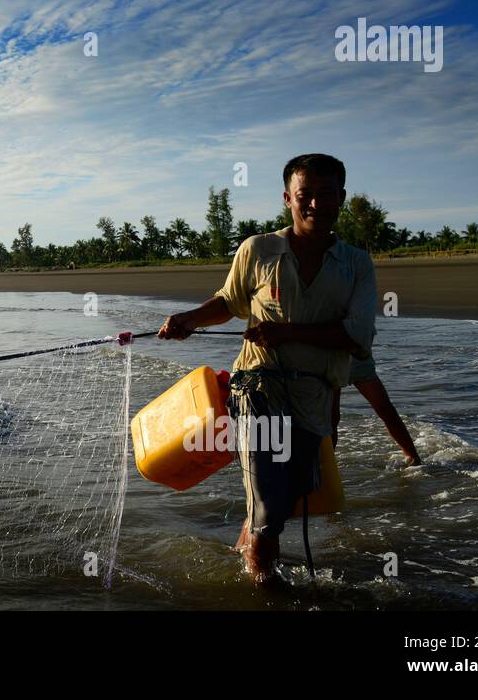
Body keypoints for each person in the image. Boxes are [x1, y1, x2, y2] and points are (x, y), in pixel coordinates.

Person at [159, 153, 376, 584]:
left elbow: (357, 337)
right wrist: (189, 319)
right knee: (272, 506)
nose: (315, 204)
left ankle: (248, 553)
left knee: (288, 495)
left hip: (314, 395)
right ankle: (264, 587)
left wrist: (287, 332)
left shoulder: (356, 264)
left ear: (342, 198)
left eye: (326, 195)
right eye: (305, 195)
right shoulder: (258, 249)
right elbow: (229, 302)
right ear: (287, 199)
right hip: (258, 387)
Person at [333, 348, 421, 466]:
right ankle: (327, 465)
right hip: (330, 357)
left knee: (385, 408)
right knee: (331, 417)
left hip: (355, 356)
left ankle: (414, 459)